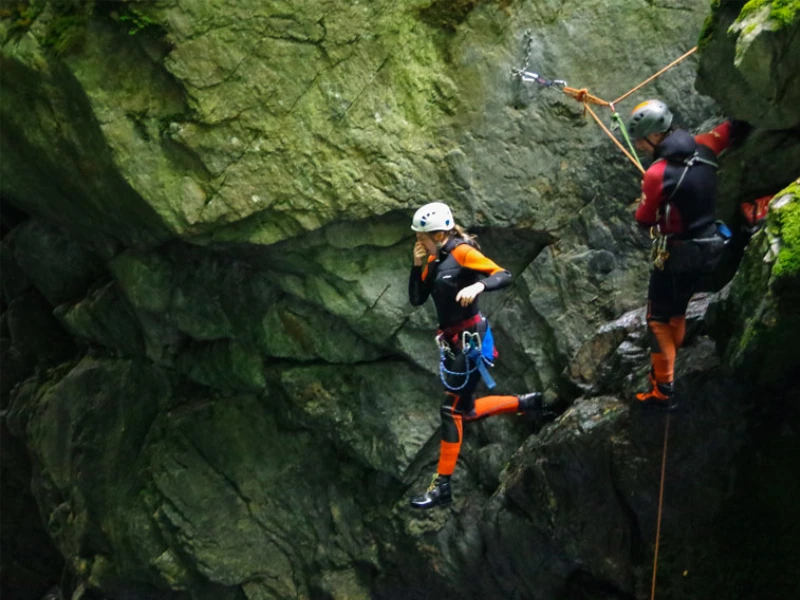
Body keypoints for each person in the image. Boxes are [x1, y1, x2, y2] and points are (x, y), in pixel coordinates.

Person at [407, 201, 546, 509]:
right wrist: (417, 266)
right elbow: (417, 299)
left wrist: (480, 286)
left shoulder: (462, 252)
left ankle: (442, 485)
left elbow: (503, 274)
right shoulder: (433, 259)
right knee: (464, 410)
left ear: (440, 233)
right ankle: (528, 403)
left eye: (422, 236)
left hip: (471, 338)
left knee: (451, 411)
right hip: (453, 341)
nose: (418, 241)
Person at [628, 99, 738, 408]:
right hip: (713, 246)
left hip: (678, 255)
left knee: (657, 319)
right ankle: (670, 366)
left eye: (640, 138)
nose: (637, 144)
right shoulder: (705, 146)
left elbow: (643, 221)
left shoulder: (657, 173)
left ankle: (662, 388)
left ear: (654, 136)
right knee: (677, 310)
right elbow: (731, 130)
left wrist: (647, 194)